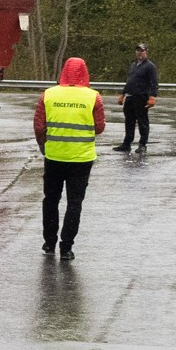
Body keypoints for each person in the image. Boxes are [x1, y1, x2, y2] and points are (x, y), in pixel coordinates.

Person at [35, 56, 105, 258]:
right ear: (85, 72)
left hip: (55, 156)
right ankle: (66, 247)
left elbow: (40, 126)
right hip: (81, 159)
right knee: (75, 203)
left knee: (51, 200)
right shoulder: (93, 97)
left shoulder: (48, 95)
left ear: (63, 71)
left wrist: (43, 145)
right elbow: (99, 127)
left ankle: (49, 243)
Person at [117, 42, 158, 151]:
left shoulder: (150, 67)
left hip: (141, 98)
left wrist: (152, 97)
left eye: (142, 51)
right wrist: (122, 94)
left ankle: (142, 145)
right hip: (130, 98)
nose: (140, 53)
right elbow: (129, 82)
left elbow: (153, 83)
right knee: (129, 121)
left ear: (146, 52)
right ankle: (127, 144)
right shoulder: (133, 65)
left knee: (142, 122)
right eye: (138, 50)